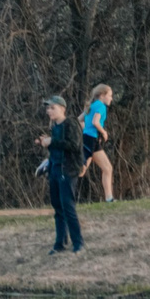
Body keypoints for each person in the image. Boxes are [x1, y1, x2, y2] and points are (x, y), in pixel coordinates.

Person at [41, 96, 83, 254]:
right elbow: (57, 148)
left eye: (52, 108)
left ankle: (78, 242)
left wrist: (52, 142)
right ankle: (60, 243)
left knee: (68, 206)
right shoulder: (54, 127)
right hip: (55, 170)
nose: (49, 111)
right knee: (58, 207)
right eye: (48, 108)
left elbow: (74, 145)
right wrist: (46, 145)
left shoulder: (71, 123)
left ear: (62, 109)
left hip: (68, 170)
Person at [81, 83, 117, 201]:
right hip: (91, 140)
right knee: (80, 170)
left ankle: (109, 198)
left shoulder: (91, 105)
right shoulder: (101, 106)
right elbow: (95, 122)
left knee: (107, 168)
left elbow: (79, 120)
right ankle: (53, 165)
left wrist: (86, 130)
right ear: (102, 95)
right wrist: (104, 132)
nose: (111, 98)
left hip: (91, 139)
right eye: (110, 95)